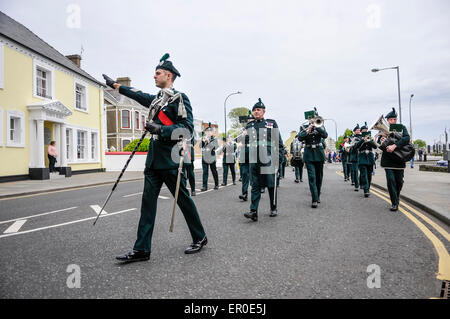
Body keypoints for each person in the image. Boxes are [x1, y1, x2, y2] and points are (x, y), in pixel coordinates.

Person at [104, 54, 207, 263]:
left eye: (157, 73)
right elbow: (139, 95)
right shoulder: (158, 100)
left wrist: (161, 128)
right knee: (147, 203)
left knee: (184, 201)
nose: (154, 76)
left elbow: (187, 130)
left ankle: (200, 236)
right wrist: (116, 85)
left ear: (168, 75)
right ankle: (142, 248)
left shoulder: (179, 98)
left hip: (170, 159)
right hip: (153, 159)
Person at [244, 98, 284, 221]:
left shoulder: (271, 123)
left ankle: (273, 207)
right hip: (253, 158)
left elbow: (279, 142)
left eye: (258, 110)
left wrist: (280, 158)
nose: (256, 112)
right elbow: (247, 143)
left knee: (270, 184)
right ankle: (253, 211)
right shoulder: (249, 125)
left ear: (263, 111)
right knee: (255, 185)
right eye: (254, 110)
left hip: (268, 157)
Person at [378, 107, 410, 211]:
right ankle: (394, 202)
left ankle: (396, 196)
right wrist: (382, 140)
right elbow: (379, 144)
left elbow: (407, 138)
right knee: (391, 181)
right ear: (387, 120)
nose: (393, 121)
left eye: (395, 119)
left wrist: (394, 146)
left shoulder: (401, 128)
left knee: (399, 182)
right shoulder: (383, 130)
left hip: (399, 159)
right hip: (388, 161)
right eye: (391, 119)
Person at [297, 108, 328, 208]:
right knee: (312, 177)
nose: (312, 119)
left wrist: (316, 126)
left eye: (313, 117)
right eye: (310, 118)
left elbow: (325, 135)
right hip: (309, 154)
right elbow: (300, 138)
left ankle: (317, 195)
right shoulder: (303, 126)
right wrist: (308, 129)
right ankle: (314, 199)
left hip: (319, 153)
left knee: (319, 177)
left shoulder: (320, 125)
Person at [354, 122, 377, 198]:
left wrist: (369, 140)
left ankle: (368, 188)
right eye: (363, 130)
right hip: (362, 157)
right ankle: (366, 190)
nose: (365, 131)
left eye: (366, 130)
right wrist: (363, 140)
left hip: (370, 157)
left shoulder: (370, 137)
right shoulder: (358, 138)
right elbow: (356, 147)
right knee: (364, 175)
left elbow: (375, 146)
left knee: (369, 175)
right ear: (361, 131)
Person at [201, 125, 219, 191]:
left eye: (209, 131)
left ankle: (216, 184)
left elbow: (215, 147)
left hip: (211, 157)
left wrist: (208, 142)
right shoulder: (203, 138)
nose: (208, 133)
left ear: (212, 132)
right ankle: (204, 186)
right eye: (207, 131)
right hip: (204, 157)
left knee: (214, 171)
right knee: (205, 172)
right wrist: (203, 141)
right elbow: (201, 146)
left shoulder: (214, 139)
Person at [349, 124, 361, 191]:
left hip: (361, 156)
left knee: (362, 171)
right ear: (354, 131)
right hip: (354, 156)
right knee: (355, 172)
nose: (358, 131)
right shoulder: (351, 137)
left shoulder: (362, 137)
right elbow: (350, 146)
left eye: (359, 130)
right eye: (357, 130)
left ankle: (361, 183)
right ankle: (356, 185)